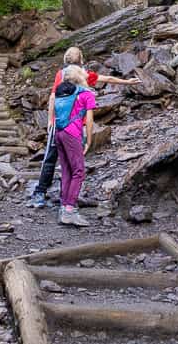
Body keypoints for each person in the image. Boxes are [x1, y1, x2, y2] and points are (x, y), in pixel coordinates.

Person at [29, 45, 142, 209]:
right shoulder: (84, 75)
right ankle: (66, 198)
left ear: (65, 59)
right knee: (72, 162)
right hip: (74, 126)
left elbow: (53, 96)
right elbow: (108, 79)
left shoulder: (61, 74)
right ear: (82, 60)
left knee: (51, 158)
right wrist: (127, 81)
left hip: (59, 123)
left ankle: (42, 193)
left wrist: (50, 120)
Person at [53, 64, 95, 226]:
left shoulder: (61, 92)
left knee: (66, 170)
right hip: (72, 134)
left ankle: (64, 206)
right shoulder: (87, 94)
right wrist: (89, 140)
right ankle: (69, 210)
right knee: (79, 171)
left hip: (59, 132)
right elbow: (89, 120)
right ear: (80, 76)